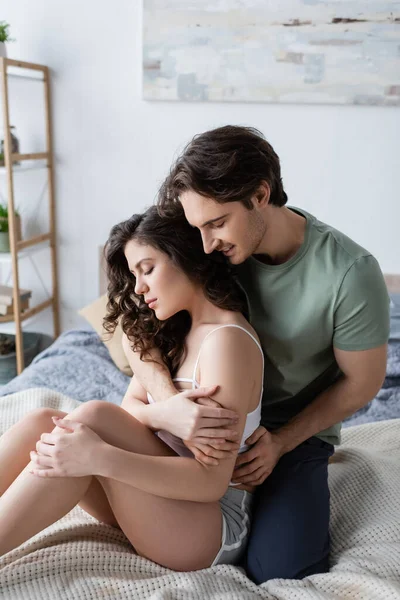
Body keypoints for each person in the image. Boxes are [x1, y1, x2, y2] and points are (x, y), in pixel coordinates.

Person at [128, 125, 390, 583]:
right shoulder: (205, 243)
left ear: (260, 194)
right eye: (198, 227)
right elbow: (137, 328)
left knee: (281, 571)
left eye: (217, 223)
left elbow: (363, 382)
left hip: (289, 432)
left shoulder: (350, 272)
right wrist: (167, 402)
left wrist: (281, 442)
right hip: (203, 418)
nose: (207, 244)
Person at [0, 206, 265, 571]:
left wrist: (98, 457)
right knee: (43, 421)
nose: (139, 288)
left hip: (205, 528)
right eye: (134, 275)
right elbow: (132, 409)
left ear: (184, 256)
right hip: (155, 498)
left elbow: (210, 484)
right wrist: (162, 413)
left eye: (148, 270)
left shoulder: (226, 343)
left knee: (94, 417)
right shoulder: (172, 329)